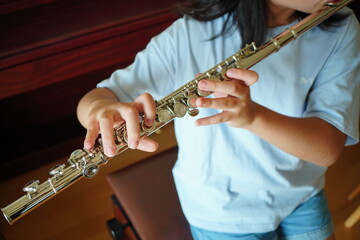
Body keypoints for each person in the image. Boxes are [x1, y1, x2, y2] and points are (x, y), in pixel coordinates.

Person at [77, 0, 360, 239]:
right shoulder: (191, 33)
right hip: (221, 209)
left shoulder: (341, 26)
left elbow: (327, 149)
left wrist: (253, 116)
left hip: (301, 194)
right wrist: (98, 110)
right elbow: (99, 96)